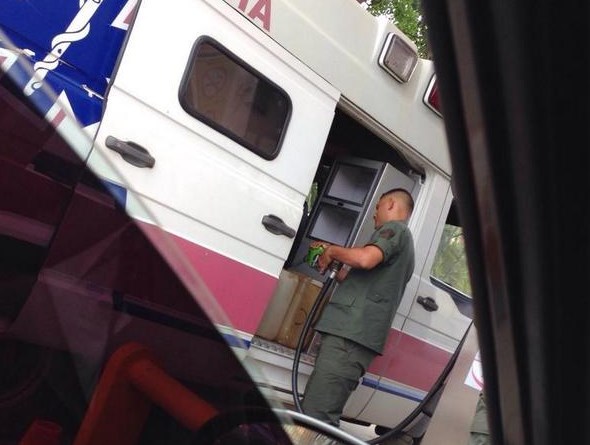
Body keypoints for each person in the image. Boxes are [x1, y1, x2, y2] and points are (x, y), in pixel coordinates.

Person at [301, 188, 415, 427]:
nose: (375, 215)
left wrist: (332, 250)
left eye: (378, 207)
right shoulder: (403, 245)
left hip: (350, 338)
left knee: (317, 416)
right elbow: (365, 282)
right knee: (315, 409)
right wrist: (336, 270)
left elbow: (365, 259)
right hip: (351, 337)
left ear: (392, 205)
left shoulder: (396, 230)